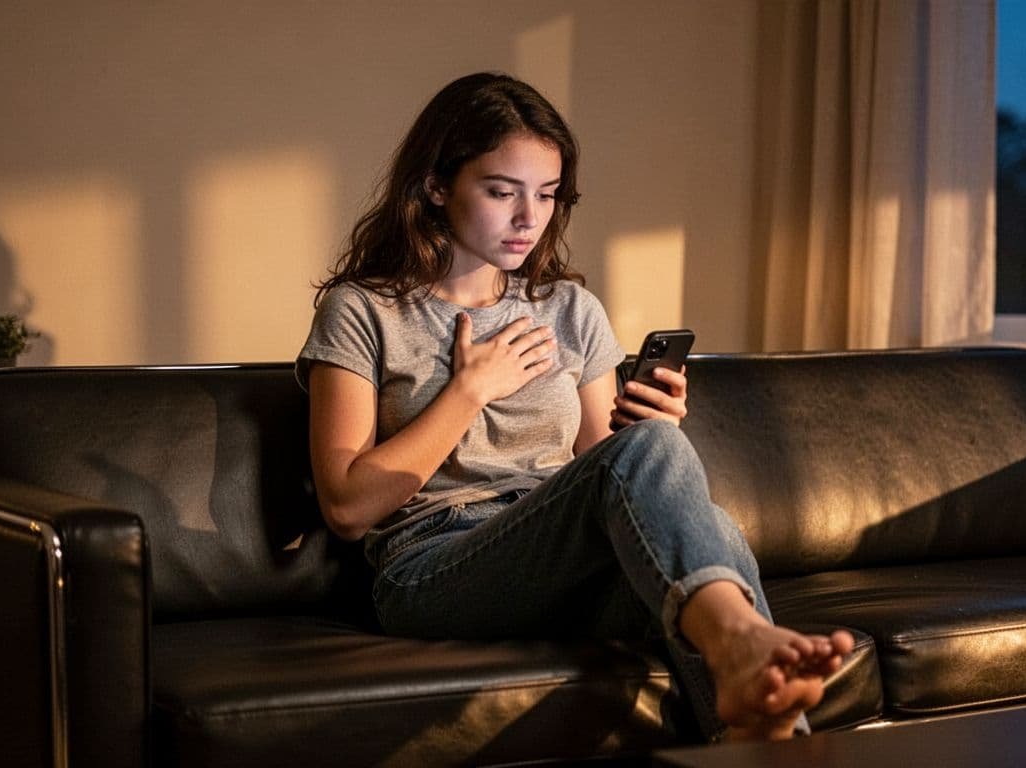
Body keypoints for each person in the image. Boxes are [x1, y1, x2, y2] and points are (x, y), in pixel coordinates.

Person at [296, 71, 852, 742]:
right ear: (437, 186)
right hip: (433, 566)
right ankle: (748, 662)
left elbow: (604, 465)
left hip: (557, 551)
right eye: (502, 192)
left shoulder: (570, 310)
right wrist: (469, 391)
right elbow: (348, 508)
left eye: (548, 194)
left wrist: (654, 428)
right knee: (712, 551)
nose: (530, 218)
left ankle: (753, 722)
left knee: (706, 534)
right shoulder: (364, 309)